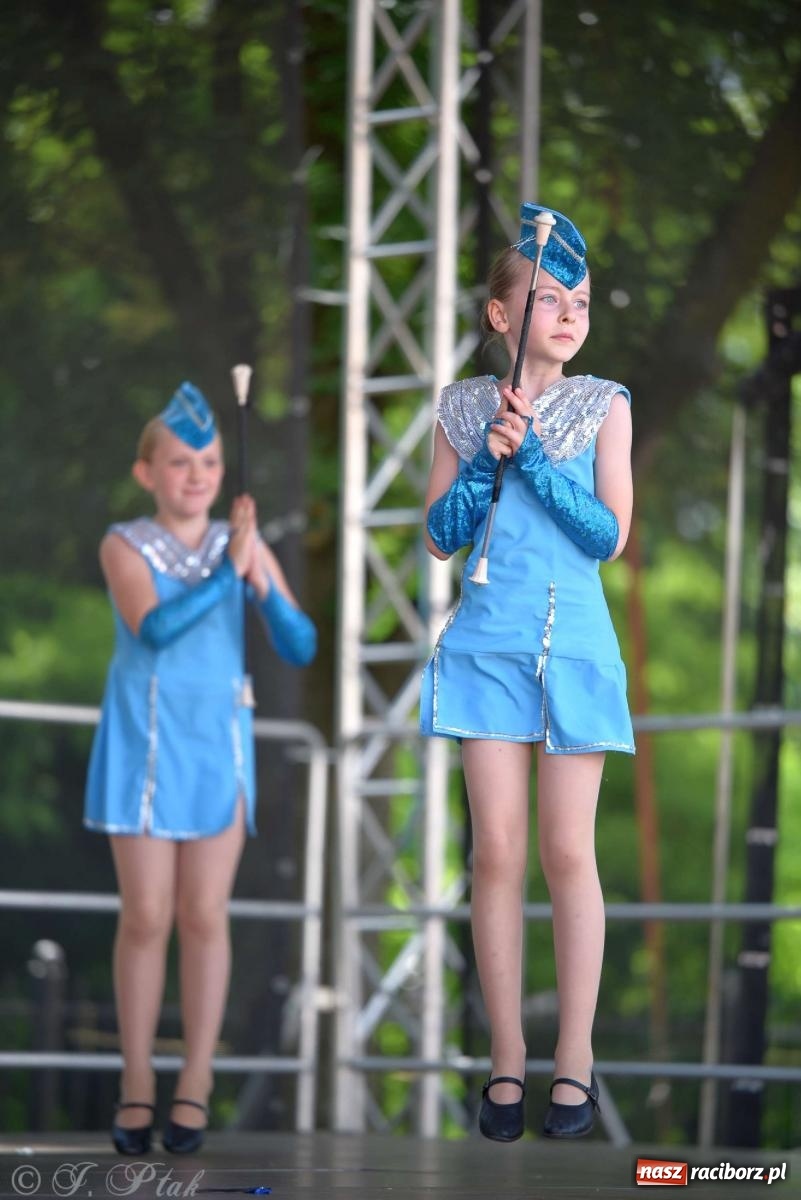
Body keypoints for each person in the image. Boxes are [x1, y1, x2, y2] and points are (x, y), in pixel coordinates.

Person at [420, 204, 634, 1142]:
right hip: (486, 647)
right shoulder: (463, 405)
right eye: (548, 298)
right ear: (501, 317)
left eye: (578, 301)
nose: (568, 313)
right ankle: (504, 1060)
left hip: (574, 643)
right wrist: (482, 465)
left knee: (564, 853)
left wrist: (538, 462)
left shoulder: (604, 403)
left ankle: (572, 1064)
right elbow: (437, 535)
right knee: (496, 853)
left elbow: (608, 537)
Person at [84, 382, 317, 1156]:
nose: (197, 475)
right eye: (180, 462)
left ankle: (196, 1080)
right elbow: (152, 629)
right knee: (147, 916)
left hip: (219, 744)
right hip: (145, 744)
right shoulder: (124, 542)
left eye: (209, 461)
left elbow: (299, 645)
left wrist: (256, 580)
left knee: (204, 916)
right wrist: (228, 572)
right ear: (146, 472)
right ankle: (137, 1082)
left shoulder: (240, 543)